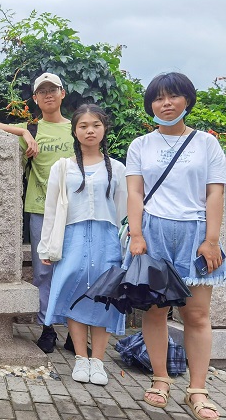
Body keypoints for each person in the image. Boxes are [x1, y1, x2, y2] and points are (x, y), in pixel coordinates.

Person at [126, 72, 224, 419]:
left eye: (173, 96)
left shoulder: (207, 144)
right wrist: (136, 235)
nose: (165, 103)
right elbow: (135, 192)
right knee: (154, 311)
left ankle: (197, 390)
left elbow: (215, 193)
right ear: (150, 104)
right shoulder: (140, 145)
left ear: (187, 100)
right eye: (158, 98)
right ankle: (160, 379)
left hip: (195, 235)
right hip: (153, 232)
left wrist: (212, 240)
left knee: (196, 314)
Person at [38, 104, 127, 385]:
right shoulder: (63, 167)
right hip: (72, 238)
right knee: (74, 293)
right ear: (74, 131)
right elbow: (51, 209)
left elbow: (123, 213)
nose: (90, 131)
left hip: (107, 239)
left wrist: (125, 246)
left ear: (104, 128)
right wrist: (46, 247)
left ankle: (97, 361)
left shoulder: (118, 169)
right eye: (83, 126)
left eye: (96, 125)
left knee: (105, 296)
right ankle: (80, 357)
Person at [24, 73, 74, 353]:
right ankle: (47, 328)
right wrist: (23, 133)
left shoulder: (77, 127)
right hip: (40, 209)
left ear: (62, 93)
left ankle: (76, 330)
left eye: (53, 89)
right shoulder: (31, 128)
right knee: (43, 272)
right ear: (35, 98)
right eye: (42, 91)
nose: (48, 95)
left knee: (75, 270)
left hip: (76, 212)